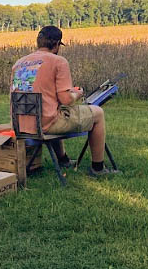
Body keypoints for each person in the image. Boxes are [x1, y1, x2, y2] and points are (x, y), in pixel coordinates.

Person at [10, 25, 116, 176]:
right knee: (97, 113)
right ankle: (98, 168)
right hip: (45, 124)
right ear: (57, 44)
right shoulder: (58, 61)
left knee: (55, 110)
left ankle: (63, 160)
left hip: (22, 125)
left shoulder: (19, 63)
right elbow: (66, 100)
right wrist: (77, 93)